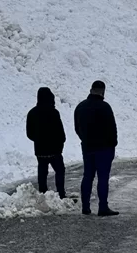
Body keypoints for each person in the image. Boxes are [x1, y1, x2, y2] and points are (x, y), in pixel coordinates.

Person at [74, 80, 118, 216]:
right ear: (103, 91)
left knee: (88, 176)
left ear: (91, 90)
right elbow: (112, 129)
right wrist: (113, 144)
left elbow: (77, 128)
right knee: (103, 177)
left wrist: (84, 139)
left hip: (87, 147)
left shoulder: (80, 107)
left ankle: (85, 207)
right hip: (104, 148)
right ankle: (102, 207)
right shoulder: (105, 107)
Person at [25, 87, 66, 198]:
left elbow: (29, 133)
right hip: (55, 149)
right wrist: (61, 143)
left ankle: (42, 193)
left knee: (42, 171)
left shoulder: (32, 113)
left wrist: (38, 140)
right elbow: (60, 131)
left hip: (40, 149)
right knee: (60, 170)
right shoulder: (54, 112)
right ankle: (61, 193)